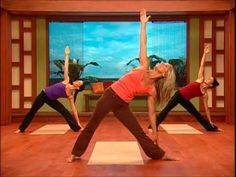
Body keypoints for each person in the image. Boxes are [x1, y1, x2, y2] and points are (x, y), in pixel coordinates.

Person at [66, 9, 176, 162]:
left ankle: (159, 154)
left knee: (138, 132)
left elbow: (151, 114)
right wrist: (143, 25)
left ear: (165, 74)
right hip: (110, 95)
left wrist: (156, 134)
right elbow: (143, 43)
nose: (163, 63)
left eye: (166, 66)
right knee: (92, 125)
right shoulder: (144, 65)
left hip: (122, 104)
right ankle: (75, 153)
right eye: (164, 63)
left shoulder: (152, 90)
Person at [148, 45, 221, 132]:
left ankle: (211, 127)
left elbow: (206, 109)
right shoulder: (200, 79)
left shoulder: (205, 94)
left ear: (211, 85)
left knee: (196, 113)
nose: (208, 78)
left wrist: (210, 120)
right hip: (179, 95)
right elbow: (202, 65)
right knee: (166, 109)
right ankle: (152, 126)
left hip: (185, 99)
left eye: (210, 79)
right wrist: (205, 54)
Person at [16, 46, 83, 133]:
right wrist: (67, 54)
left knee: (64, 111)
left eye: (80, 83)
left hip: (51, 99)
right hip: (43, 94)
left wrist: (78, 123)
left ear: (78, 87)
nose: (78, 81)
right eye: (78, 80)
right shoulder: (66, 80)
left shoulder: (70, 95)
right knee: (33, 110)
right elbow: (66, 68)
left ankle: (76, 128)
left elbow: (74, 110)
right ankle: (21, 128)